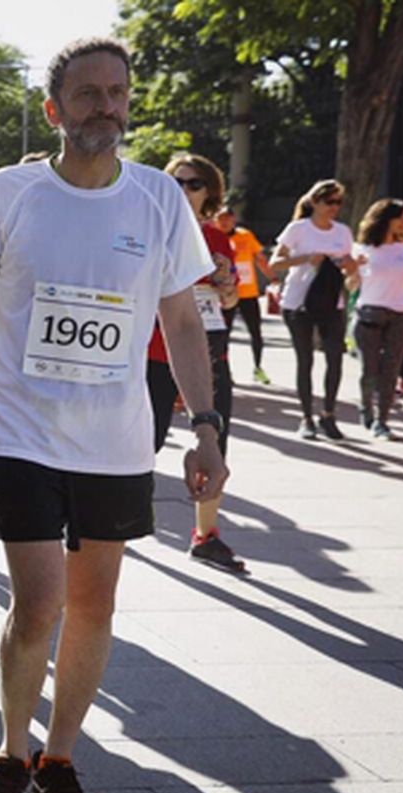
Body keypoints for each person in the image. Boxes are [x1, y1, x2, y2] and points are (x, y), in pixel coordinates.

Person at [0, 37, 226, 793]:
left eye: (118, 92)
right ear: (56, 110)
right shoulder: (10, 192)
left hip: (117, 443)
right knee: (38, 603)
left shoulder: (160, 199)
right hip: (22, 434)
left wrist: (205, 426)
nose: (106, 105)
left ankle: (59, 762)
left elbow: (181, 319)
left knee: (95, 604)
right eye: (89, 94)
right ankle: (11, 755)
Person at [148, 153, 244, 573]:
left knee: (214, 441)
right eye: (177, 182)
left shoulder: (219, 239)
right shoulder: (152, 230)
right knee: (143, 441)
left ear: (210, 192)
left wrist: (224, 282)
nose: (184, 190)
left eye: (193, 184)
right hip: (153, 352)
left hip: (209, 355)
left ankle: (206, 534)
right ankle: (103, 522)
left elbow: (230, 300)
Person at [270, 179, 360, 440]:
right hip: (298, 302)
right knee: (305, 359)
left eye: (338, 202)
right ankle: (306, 416)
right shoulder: (299, 229)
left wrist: (350, 264)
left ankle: (328, 414)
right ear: (315, 202)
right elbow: (276, 263)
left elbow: (350, 269)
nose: (335, 207)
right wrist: (306, 259)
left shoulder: (342, 232)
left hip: (332, 302)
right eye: (330, 202)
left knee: (335, 358)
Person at [351, 198, 403, 439]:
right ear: (389, 220)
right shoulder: (362, 250)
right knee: (370, 369)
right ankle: (366, 407)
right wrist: (353, 269)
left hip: (401, 314)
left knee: (391, 369)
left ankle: (382, 421)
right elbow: (351, 285)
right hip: (369, 312)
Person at [214, 206, 274, 383]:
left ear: (233, 219)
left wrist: (273, 277)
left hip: (248, 293)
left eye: (227, 218)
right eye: (221, 218)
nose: (224, 222)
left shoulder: (245, 236)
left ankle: (258, 367)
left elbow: (260, 258)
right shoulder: (214, 237)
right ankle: (225, 371)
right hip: (226, 293)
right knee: (224, 333)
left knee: (255, 331)